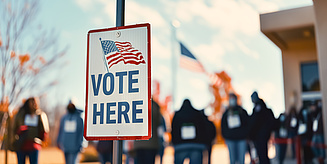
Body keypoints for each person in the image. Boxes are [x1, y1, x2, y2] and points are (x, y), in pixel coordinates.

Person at [12, 97, 49, 164]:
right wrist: (19, 132)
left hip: (34, 145)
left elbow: (44, 131)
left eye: (35, 102)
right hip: (21, 145)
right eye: (32, 102)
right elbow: (14, 128)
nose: (34, 104)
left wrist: (42, 138)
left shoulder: (40, 115)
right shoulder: (21, 114)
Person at [171, 99, 207, 164]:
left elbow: (173, 130)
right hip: (196, 145)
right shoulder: (197, 114)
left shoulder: (177, 115)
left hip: (180, 146)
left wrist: (174, 143)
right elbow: (203, 129)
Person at [249, 91, 277, 164]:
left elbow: (254, 122)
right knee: (262, 155)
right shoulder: (263, 109)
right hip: (262, 136)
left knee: (262, 155)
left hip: (261, 136)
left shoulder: (259, 110)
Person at [221, 93, 249, 164]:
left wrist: (245, 134)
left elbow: (247, 124)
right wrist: (225, 136)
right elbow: (223, 126)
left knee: (241, 160)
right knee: (232, 160)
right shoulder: (226, 113)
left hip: (241, 139)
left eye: (233, 98)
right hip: (230, 139)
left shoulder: (242, 111)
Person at [134, 100, 161, 164]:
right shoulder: (155, 106)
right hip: (151, 143)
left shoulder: (136, 104)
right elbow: (159, 123)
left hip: (139, 143)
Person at [57, 100, 84, 164]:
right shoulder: (64, 118)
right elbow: (60, 130)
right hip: (65, 146)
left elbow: (81, 132)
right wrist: (58, 141)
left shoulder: (79, 118)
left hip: (75, 147)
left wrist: (81, 144)